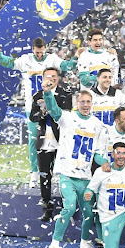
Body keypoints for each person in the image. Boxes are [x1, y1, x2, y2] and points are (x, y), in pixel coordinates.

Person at [0, 37, 79, 188]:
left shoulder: (51, 59)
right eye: (37, 52)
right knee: (34, 140)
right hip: (32, 106)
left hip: (52, 104)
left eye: (41, 52)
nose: (39, 55)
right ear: (33, 49)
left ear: (45, 48)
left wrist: (76, 57)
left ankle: (56, 171)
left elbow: (65, 65)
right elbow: (9, 63)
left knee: (57, 138)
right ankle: (34, 173)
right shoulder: (26, 60)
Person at [43, 88, 106, 248]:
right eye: (82, 102)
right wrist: (48, 94)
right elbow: (54, 110)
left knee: (88, 212)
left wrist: (107, 163)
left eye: (88, 102)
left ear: (92, 104)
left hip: (85, 177)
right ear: (76, 103)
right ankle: (54, 245)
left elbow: (98, 154)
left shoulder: (97, 125)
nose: (86, 105)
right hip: (67, 174)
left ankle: (85, 242)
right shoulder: (68, 118)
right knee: (69, 207)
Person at [29, 66, 73, 221]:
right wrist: (42, 112)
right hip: (43, 141)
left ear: (58, 78)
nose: (51, 79)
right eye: (48, 76)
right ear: (43, 79)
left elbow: (67, 113)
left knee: (65, 175)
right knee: (44, 176)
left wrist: (51, 107)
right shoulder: (37, 96)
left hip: (61, 140)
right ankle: (47, 208)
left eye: (54, 76)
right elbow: (32, 117)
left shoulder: (65, 94)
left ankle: (69, 208)